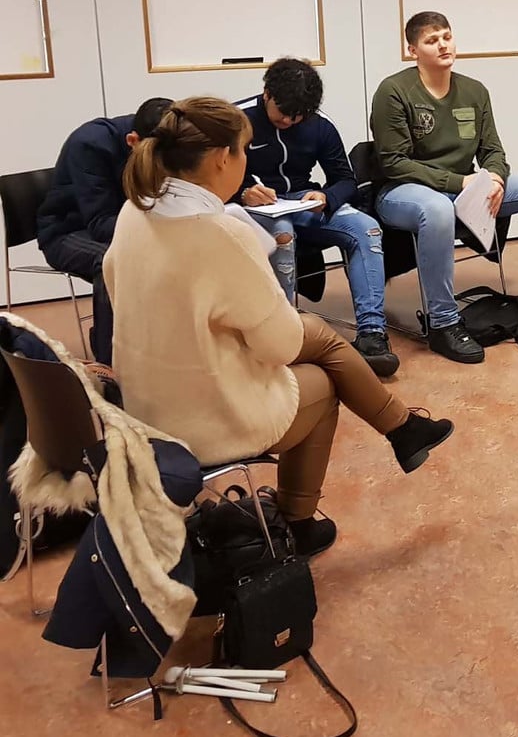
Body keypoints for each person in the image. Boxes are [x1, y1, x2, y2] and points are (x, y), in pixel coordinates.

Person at [104, 97, 454, 557]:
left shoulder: (135, 211)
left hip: (145, 399)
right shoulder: (220, 233)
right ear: (222, 158)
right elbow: (281, 345)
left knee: (316, 331)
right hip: (199, 417)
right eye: (243, 151)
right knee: (323, 381)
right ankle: (299, 520)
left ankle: (402, 427)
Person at [371, 11, 518, 364]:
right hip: (404, 191)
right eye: (431, 40)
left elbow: (493, 150)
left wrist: (495, 178)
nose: (443, 45)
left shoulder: (474, 90)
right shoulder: (393, 91)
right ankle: (443, 323)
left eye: (447, 36)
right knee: (438, 209)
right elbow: (394, 162)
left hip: (464, 187)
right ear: (412, 50)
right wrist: (460, 182)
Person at [235, 58, 398, 378]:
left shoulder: (318, 124)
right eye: (283, 113)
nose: (289, 120)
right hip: (254, 209)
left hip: (303, 203)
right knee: (282, 233)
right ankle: (282, 338)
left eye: (298, 116)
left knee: (366, 229)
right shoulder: (237, 120)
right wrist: (243, 192)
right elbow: (209, 177)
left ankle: (372, 335)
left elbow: (346, 180)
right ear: (266, 94)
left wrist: (327, 197)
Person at [36, 97, 171, 365]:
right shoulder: (90, 144)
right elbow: (101, 223)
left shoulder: (171, 139)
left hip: (130, 228)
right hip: (68, 231)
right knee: (113, 259)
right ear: (133, 141)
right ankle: (109, 363)